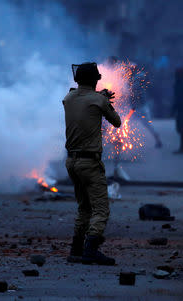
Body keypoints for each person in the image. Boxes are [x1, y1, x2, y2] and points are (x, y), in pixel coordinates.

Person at [63, 62, 121, 265]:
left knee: (84, 208)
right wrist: (105, 100)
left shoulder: (68, 98)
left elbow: (84, 101)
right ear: (95, 80)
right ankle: (90, 250)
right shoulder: (98, 100)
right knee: (100, 210)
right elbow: (117, 121)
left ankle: (76, 249)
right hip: (89, 162)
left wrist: (100, 98)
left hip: (71, 161)